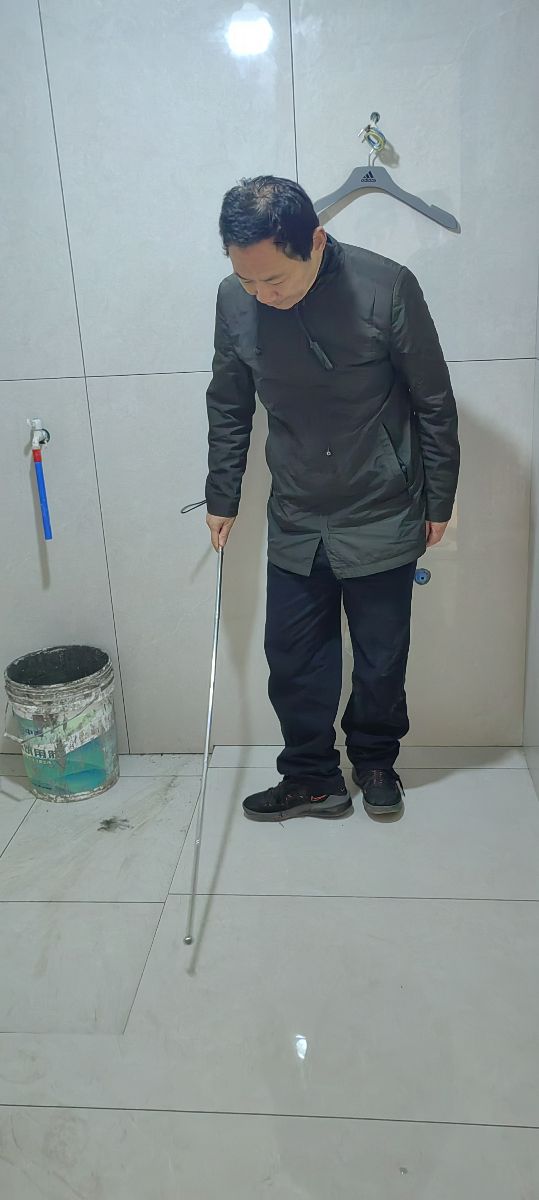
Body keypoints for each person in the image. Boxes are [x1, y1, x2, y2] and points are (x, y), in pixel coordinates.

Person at [205, 176, 459, 821]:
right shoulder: (235, 301)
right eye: (246, 280)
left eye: (274, 280)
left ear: (315, 242)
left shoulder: (386, 286)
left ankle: (375, 761)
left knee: (380, 659)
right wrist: (222, 493)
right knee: (293, 658)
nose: (262, 295)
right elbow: (229, 403)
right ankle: (312, 777)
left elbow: (433, 400)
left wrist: (439, 500)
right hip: (296, 510)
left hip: (382, 504)